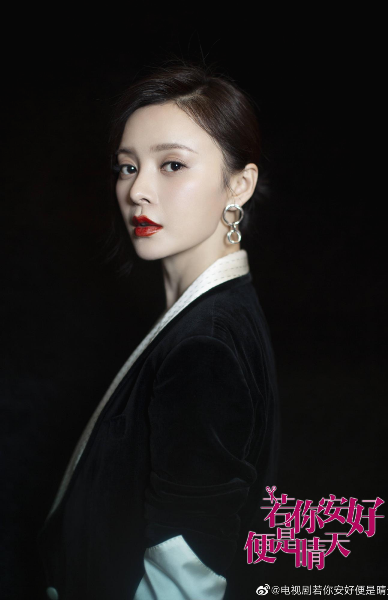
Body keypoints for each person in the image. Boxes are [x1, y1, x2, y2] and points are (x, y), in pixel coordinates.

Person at [37, 61, 280, 600]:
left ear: (239, 185)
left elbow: (188, 570)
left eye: (172, 164)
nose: (138, 191)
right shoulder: (213, 313)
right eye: (127, 167)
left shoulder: (205, 345)